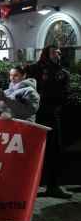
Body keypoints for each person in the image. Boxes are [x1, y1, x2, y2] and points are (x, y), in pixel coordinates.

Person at [29, 45, 72, 199]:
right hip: (37, 115)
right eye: (54, 52)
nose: (57, 54)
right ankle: (33, 184)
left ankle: (53, 186)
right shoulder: (36, 69)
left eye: (59, 52)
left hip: (53, 115)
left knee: (54, 150)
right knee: (36, 150)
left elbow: (65, 92)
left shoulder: (62, 72)